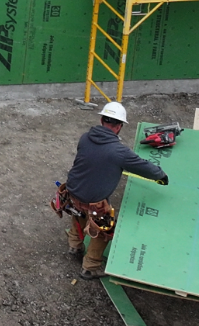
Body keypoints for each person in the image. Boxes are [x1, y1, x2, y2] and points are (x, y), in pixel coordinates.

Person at [60, 101, 169, 278]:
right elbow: (143, 166)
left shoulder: (85, 138)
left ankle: (74, 246)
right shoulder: (118, 151)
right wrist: (161, 176)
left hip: (73, 191)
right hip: (93, 200)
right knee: (103, 230)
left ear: (102, 120)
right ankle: (90, 267)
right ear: (119, 127)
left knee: (78, 214)